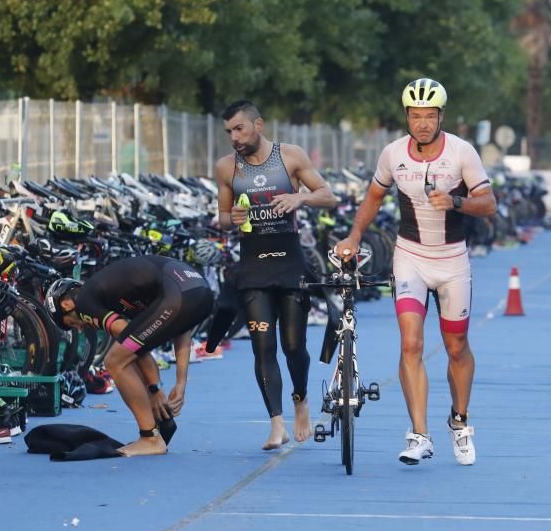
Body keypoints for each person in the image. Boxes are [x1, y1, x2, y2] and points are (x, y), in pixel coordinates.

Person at [333, 78, 497, 466]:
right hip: (410, 256)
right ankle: (419, 434)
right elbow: (373, 198)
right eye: (415, 116)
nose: (422, 123)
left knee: (456, 347)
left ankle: (459, 421)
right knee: (411, 343)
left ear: (441, 116)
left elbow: (488, 202)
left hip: (452, 260)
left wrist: (456, 201)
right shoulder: (392, 154)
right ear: (406, 116)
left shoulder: (461, 152)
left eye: (429, 116)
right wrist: (354, 236)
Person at [215, 100, 338, 450]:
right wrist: (231, 220)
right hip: (253, 266)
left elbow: (327, 196)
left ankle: (300, 399)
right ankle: (276, 423)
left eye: (239, 128)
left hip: (290, 262)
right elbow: (222, 216)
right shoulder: (226, 168)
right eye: (228, 132)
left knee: (294, 347)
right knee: (262, 347)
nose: (234, 137)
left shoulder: (290, 156)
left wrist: (300, 200)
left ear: (259, 125)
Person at [45, 255, 214, 456]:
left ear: (66, 304)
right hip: (200, 292)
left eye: (71, 323)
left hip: (179, 293)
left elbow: (133, 346)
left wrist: (155, 389)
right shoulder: (120, 294)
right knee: (125, 354)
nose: (80, 329)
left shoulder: (84, 301)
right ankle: (155, 430)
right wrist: (180, 383)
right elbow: (181, 327)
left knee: (115, 360)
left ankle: (150, 438)